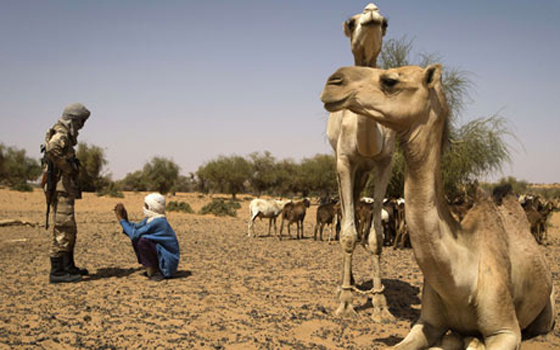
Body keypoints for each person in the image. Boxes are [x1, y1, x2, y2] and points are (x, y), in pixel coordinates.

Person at [44, 103, 90, 283]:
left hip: (65, 189)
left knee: (69, 227)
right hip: (61, 189)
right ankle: (57, 271)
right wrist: (68, 168)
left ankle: (68, 266)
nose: (81, 126)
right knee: (63, 227)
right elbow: (52, 149)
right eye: (80, 121)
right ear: (72, 119)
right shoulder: (61, 134)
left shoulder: (65, 134)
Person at [114, 193, 180, 281]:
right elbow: (136, 228)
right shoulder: (152, 219)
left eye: (146, 205)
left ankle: (156, 272)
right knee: (141, 240)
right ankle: (153, 268)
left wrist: (122, 220)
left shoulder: (158, 222)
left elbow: (134, 234)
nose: (144, 207)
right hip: (164, 258)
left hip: (167, 264)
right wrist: (125, 220)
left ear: (152, 207)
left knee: (143, 241)